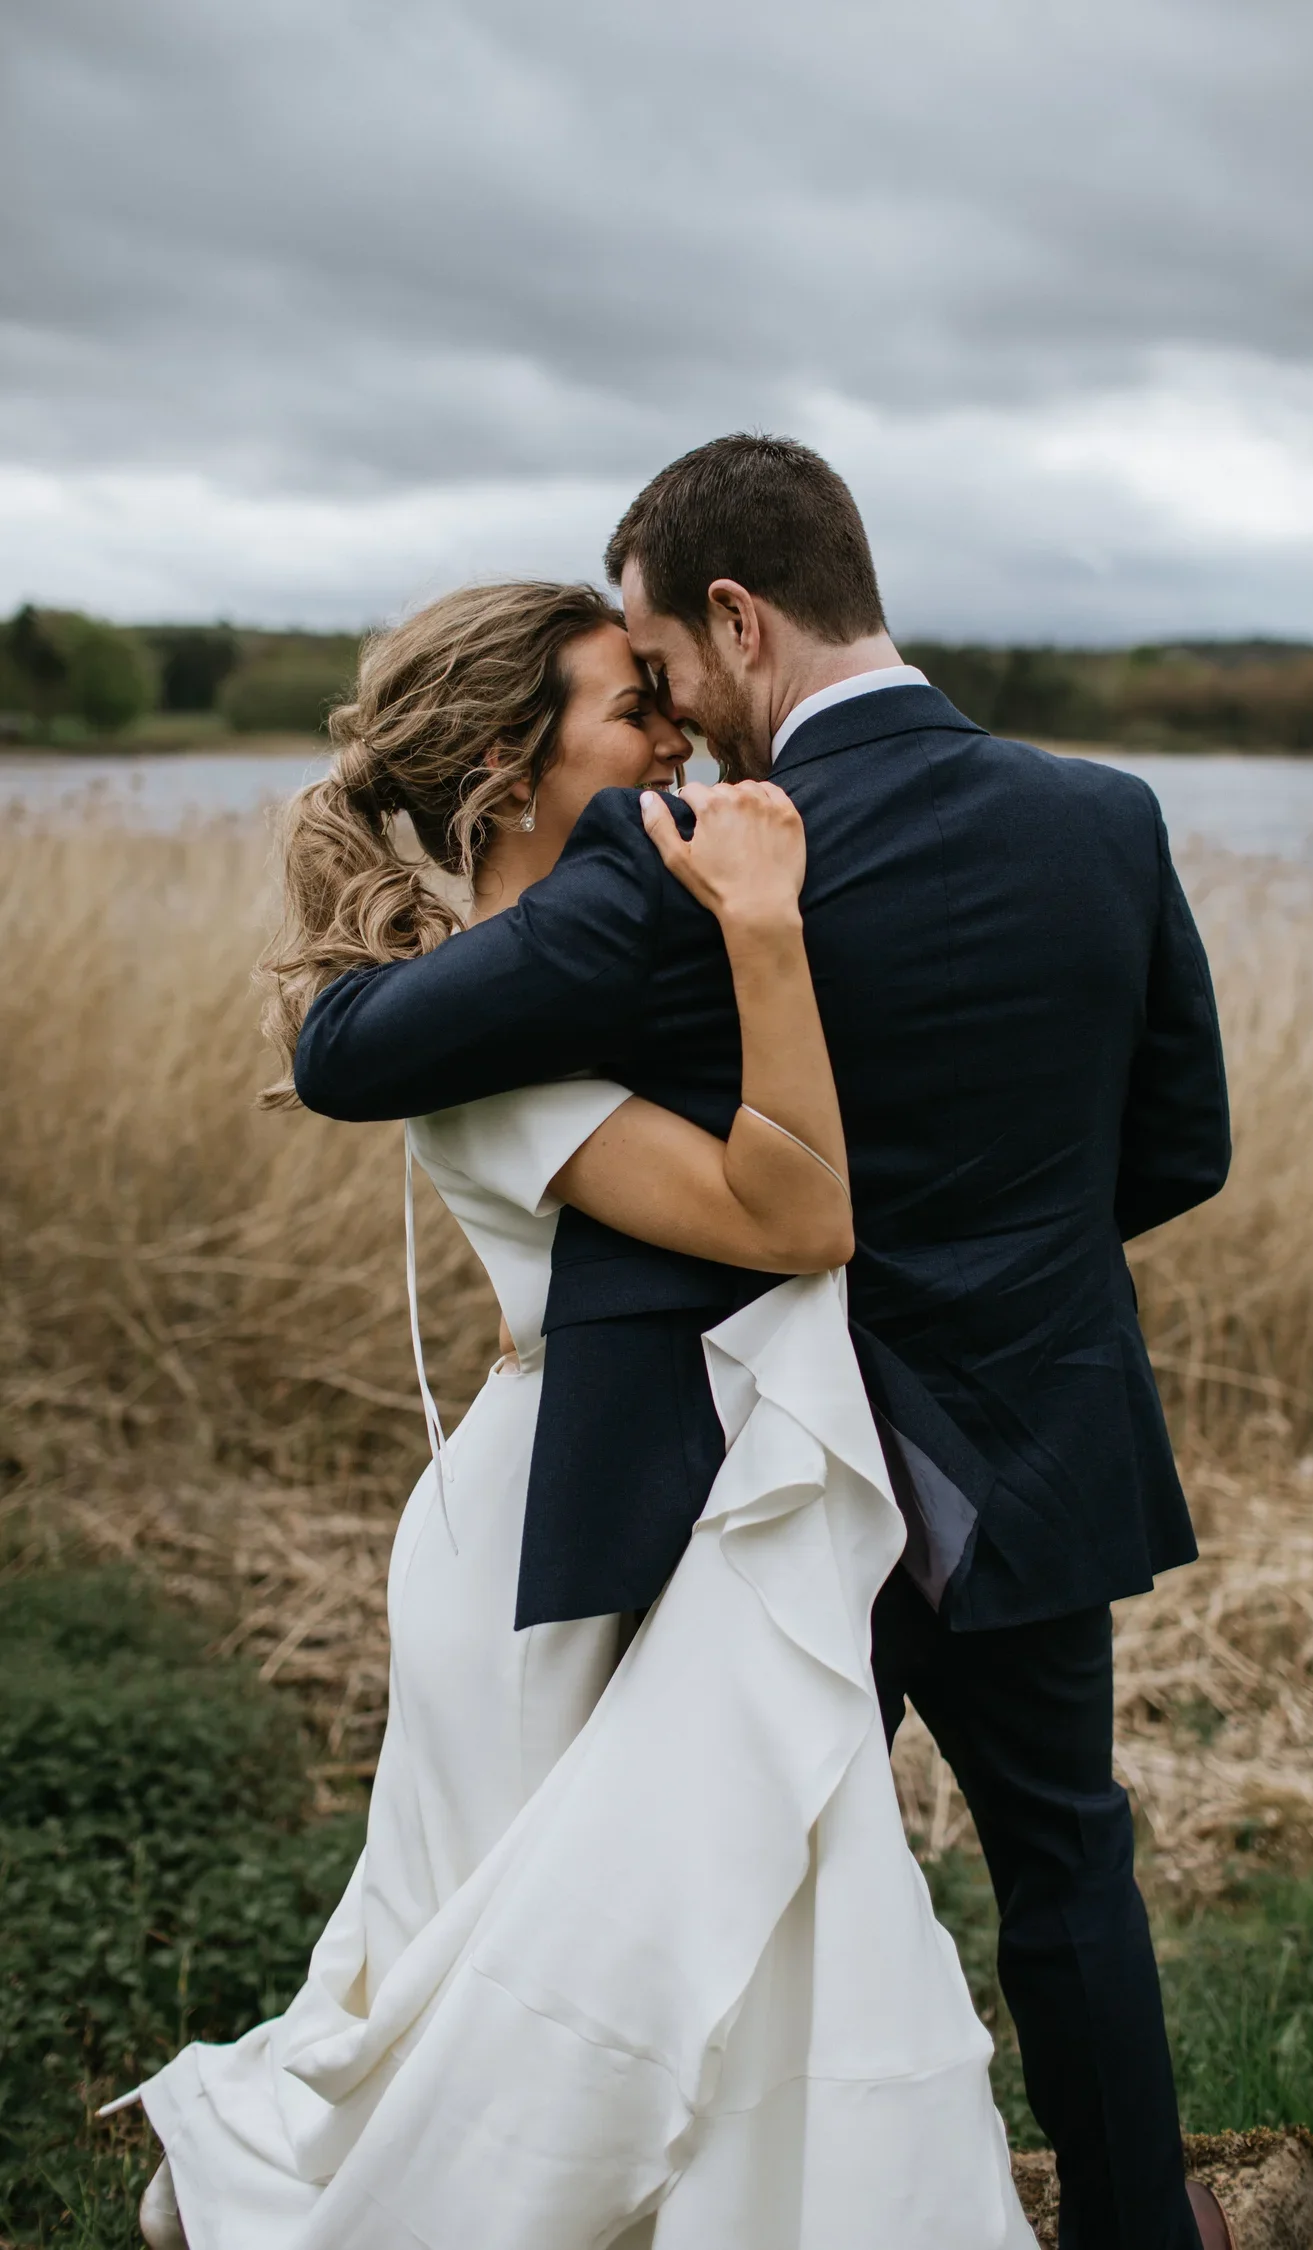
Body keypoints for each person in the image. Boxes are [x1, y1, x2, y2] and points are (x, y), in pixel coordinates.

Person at [294, 438, 1237, 2250]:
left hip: (769, 1475)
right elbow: (1179, 1148)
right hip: (1033, 1437)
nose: (663, 714)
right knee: (1070, 1865)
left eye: (660, 666)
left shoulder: (667, 864)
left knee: (731, 1899)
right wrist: (1002, 1267)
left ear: (736, 618)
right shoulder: (1103, 815)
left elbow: (356, 1059)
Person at [119, 581, 1036, 2250]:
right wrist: (765, 928)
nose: (676, 728)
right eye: (633, 707)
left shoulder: (564, 976)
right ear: (506, 765)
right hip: (551, 1539)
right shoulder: (491, 1033)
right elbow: (794, 1216)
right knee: (567, 1961)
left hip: (622, 1485)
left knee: (691, 1924)